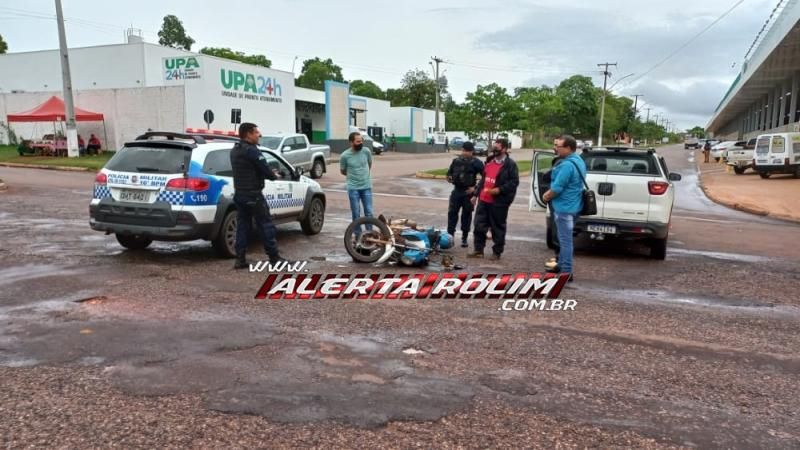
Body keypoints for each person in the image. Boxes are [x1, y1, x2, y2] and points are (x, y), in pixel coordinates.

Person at [230, 122, 284, 269]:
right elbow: (265, 170)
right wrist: (274, 176)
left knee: (243, 226)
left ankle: (240, 258)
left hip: (240, 194)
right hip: (253, 195)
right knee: (266, 225)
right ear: (248, 134)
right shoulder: (252, 151)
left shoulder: (235, 150)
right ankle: (274, 258)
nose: (259, 135)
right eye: (256, 132)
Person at [542, 135, 586, 281]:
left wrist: (546, 196)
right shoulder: (578, 160)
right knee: (564, 240)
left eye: (559, 146)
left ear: (568, 148)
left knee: (565, 242)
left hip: (564, 208)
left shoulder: (567, 165)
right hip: (574, 206)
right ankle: (561, 266)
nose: (556, 148)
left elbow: (557, 187)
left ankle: (566, 273)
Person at [468, 138, 519, 260]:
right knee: (479, 225)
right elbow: (483, 180)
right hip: (484, 200)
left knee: (498, 228)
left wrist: (499, 190)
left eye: (497, 148)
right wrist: (475, 195)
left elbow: (514, 182)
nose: (494, 150)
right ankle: (478, 250)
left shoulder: (510, 165)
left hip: (499, 202)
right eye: (494, 147)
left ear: (505, 149)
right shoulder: (489, 161)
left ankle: (497, 252)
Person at [446, 141, 485, 247]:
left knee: (466, 216)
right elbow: (449, 172)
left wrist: (475, 188)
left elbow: (485, 178)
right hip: (456, 191)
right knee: (452, 214)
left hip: (468, 193)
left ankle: (464, 238)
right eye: (463, 150)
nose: (464, 153)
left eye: (467, 151)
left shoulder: (477, 163)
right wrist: (449, 177)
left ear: (472, 151)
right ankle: (450, 237)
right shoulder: (456, 161)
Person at [340, 131, 374, 231]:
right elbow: (343, 171)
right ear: (351, 142)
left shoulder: (366, 151)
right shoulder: (345, 156)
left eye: (361, 141)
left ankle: (369, 234)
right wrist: (352, 176)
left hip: (366, 187)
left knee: (369, 212)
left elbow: (369, 164)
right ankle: (358, 236)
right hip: (353, 188)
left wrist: (363, 175)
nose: (360, 143)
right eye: (358, 141)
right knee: (356, 213)